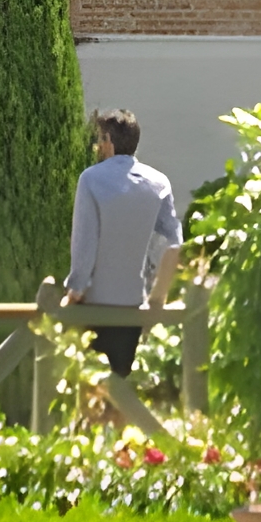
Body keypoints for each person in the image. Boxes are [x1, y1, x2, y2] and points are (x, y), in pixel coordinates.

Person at [63, 107, 183, 436]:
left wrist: (75, 290)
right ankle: (120, 460)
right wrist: (158, 296)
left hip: (95, 306)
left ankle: (91, 462)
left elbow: (85, 242)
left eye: (99, 140)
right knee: (121, 389)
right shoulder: (158, 182)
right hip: (133, 304)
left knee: (91, 394)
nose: (97, 147)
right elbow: (173, 245)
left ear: (109, 142)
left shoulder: (91, 180)